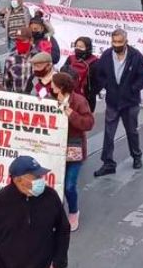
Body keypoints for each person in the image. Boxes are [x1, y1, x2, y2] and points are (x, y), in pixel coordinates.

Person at [0, 155, 70, 268]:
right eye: (35, 177)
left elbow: (63, 229)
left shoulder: (50, 196)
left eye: (40, 175)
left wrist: (58, 262)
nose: (41, 180)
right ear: (18, 180)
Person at [93, 29, 143, 176]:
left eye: (120, 42)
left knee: (132, 131)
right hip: (113, 101)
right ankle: (108, 163)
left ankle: (136, 156)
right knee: (109, 133)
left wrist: (133, 88)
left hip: (130, 102)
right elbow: (99, 73)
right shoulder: (107, 55)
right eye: (114, 42)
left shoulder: (135, 56)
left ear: (126, 41)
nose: (117, 45)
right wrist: (106, 85)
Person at [52, 72, 95, 231]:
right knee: (56, 185)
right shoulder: (50, 99)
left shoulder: (79, 101)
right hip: (55, 148)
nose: (51, 87)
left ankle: (73, 211)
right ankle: (57, 214)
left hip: (73, 149)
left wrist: (70, 112)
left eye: (54, 85)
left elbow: (88, 123)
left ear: (61, 87)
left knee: (69, 186)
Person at [3, 27, 35, 93]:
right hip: (17, 96)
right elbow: (6, 83)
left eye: (23, 40)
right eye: (17, 40)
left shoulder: (38, 57)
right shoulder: (10, 59)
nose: (19, 43)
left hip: (33, 97)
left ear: (31, 40)